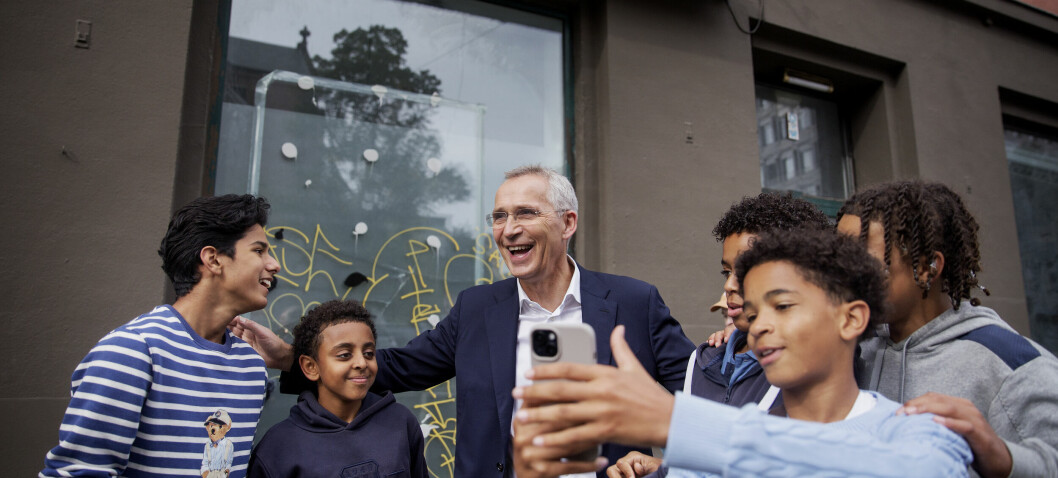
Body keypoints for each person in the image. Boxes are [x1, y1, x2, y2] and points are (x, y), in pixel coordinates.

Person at [231, 165, 695, 477]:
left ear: (567, 222)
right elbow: (397, 367)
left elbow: (703, 402)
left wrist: (666, 463)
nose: (508, 229)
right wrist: (294, 357)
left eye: (526, 213)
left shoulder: (634, 303)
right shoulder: (477, 308)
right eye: (499, 216)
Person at [511, 227, 973, 478]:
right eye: (750, 311)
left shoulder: (920, 433)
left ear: (851, 318)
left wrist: (675, 422)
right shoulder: (706, 449)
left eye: (783, 305)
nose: (760, 324)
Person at [40, 194, 280, 478]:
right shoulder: (132, 352)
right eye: (258, 251)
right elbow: (78, 472)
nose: (274, 264)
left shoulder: (252, 366)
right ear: (213, 259)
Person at [836, 180, 1058, 478]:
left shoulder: (1010, 361)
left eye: (862, 262)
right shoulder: (853, 352)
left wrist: (1000, 456)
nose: (842, 277)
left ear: (927, 267)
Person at [610, 193, 831, 477]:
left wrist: (670, 421)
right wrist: (663, 469)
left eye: (747, 270)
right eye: (726, 271)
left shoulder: (811, 370)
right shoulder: (703, 360)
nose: (729, 285)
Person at [247, 300, 426, 478]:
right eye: (344, 355)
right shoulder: (278, 447)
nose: (361, 363)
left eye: (369, 353)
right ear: (311, 367)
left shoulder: (400, 423)